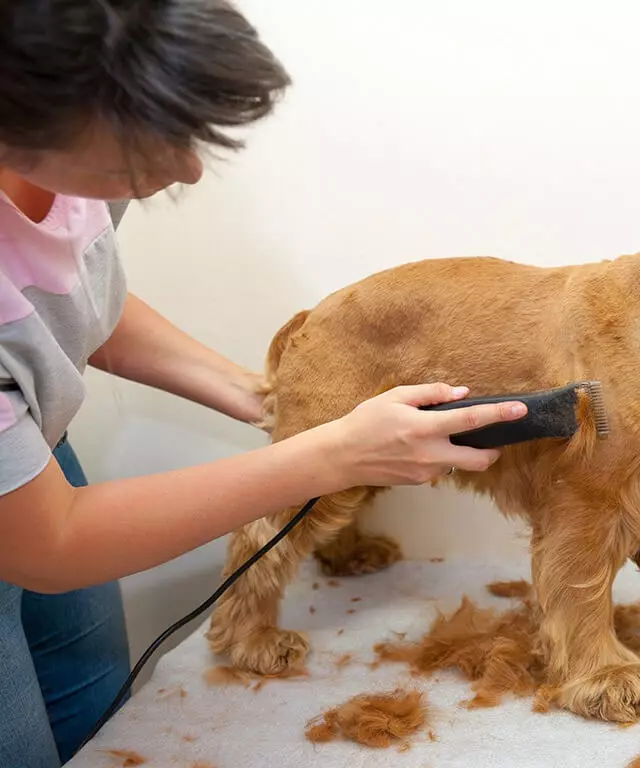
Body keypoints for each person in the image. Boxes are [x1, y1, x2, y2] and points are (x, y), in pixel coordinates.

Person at [0, 2, 526, 765]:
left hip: (32, 451)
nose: (186, 168)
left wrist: (266, 398)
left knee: (98, 715)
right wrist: (332, 455)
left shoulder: (69, 162)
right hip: (37, 514)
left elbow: (66, 298)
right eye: (152, 143)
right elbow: (51, 542)